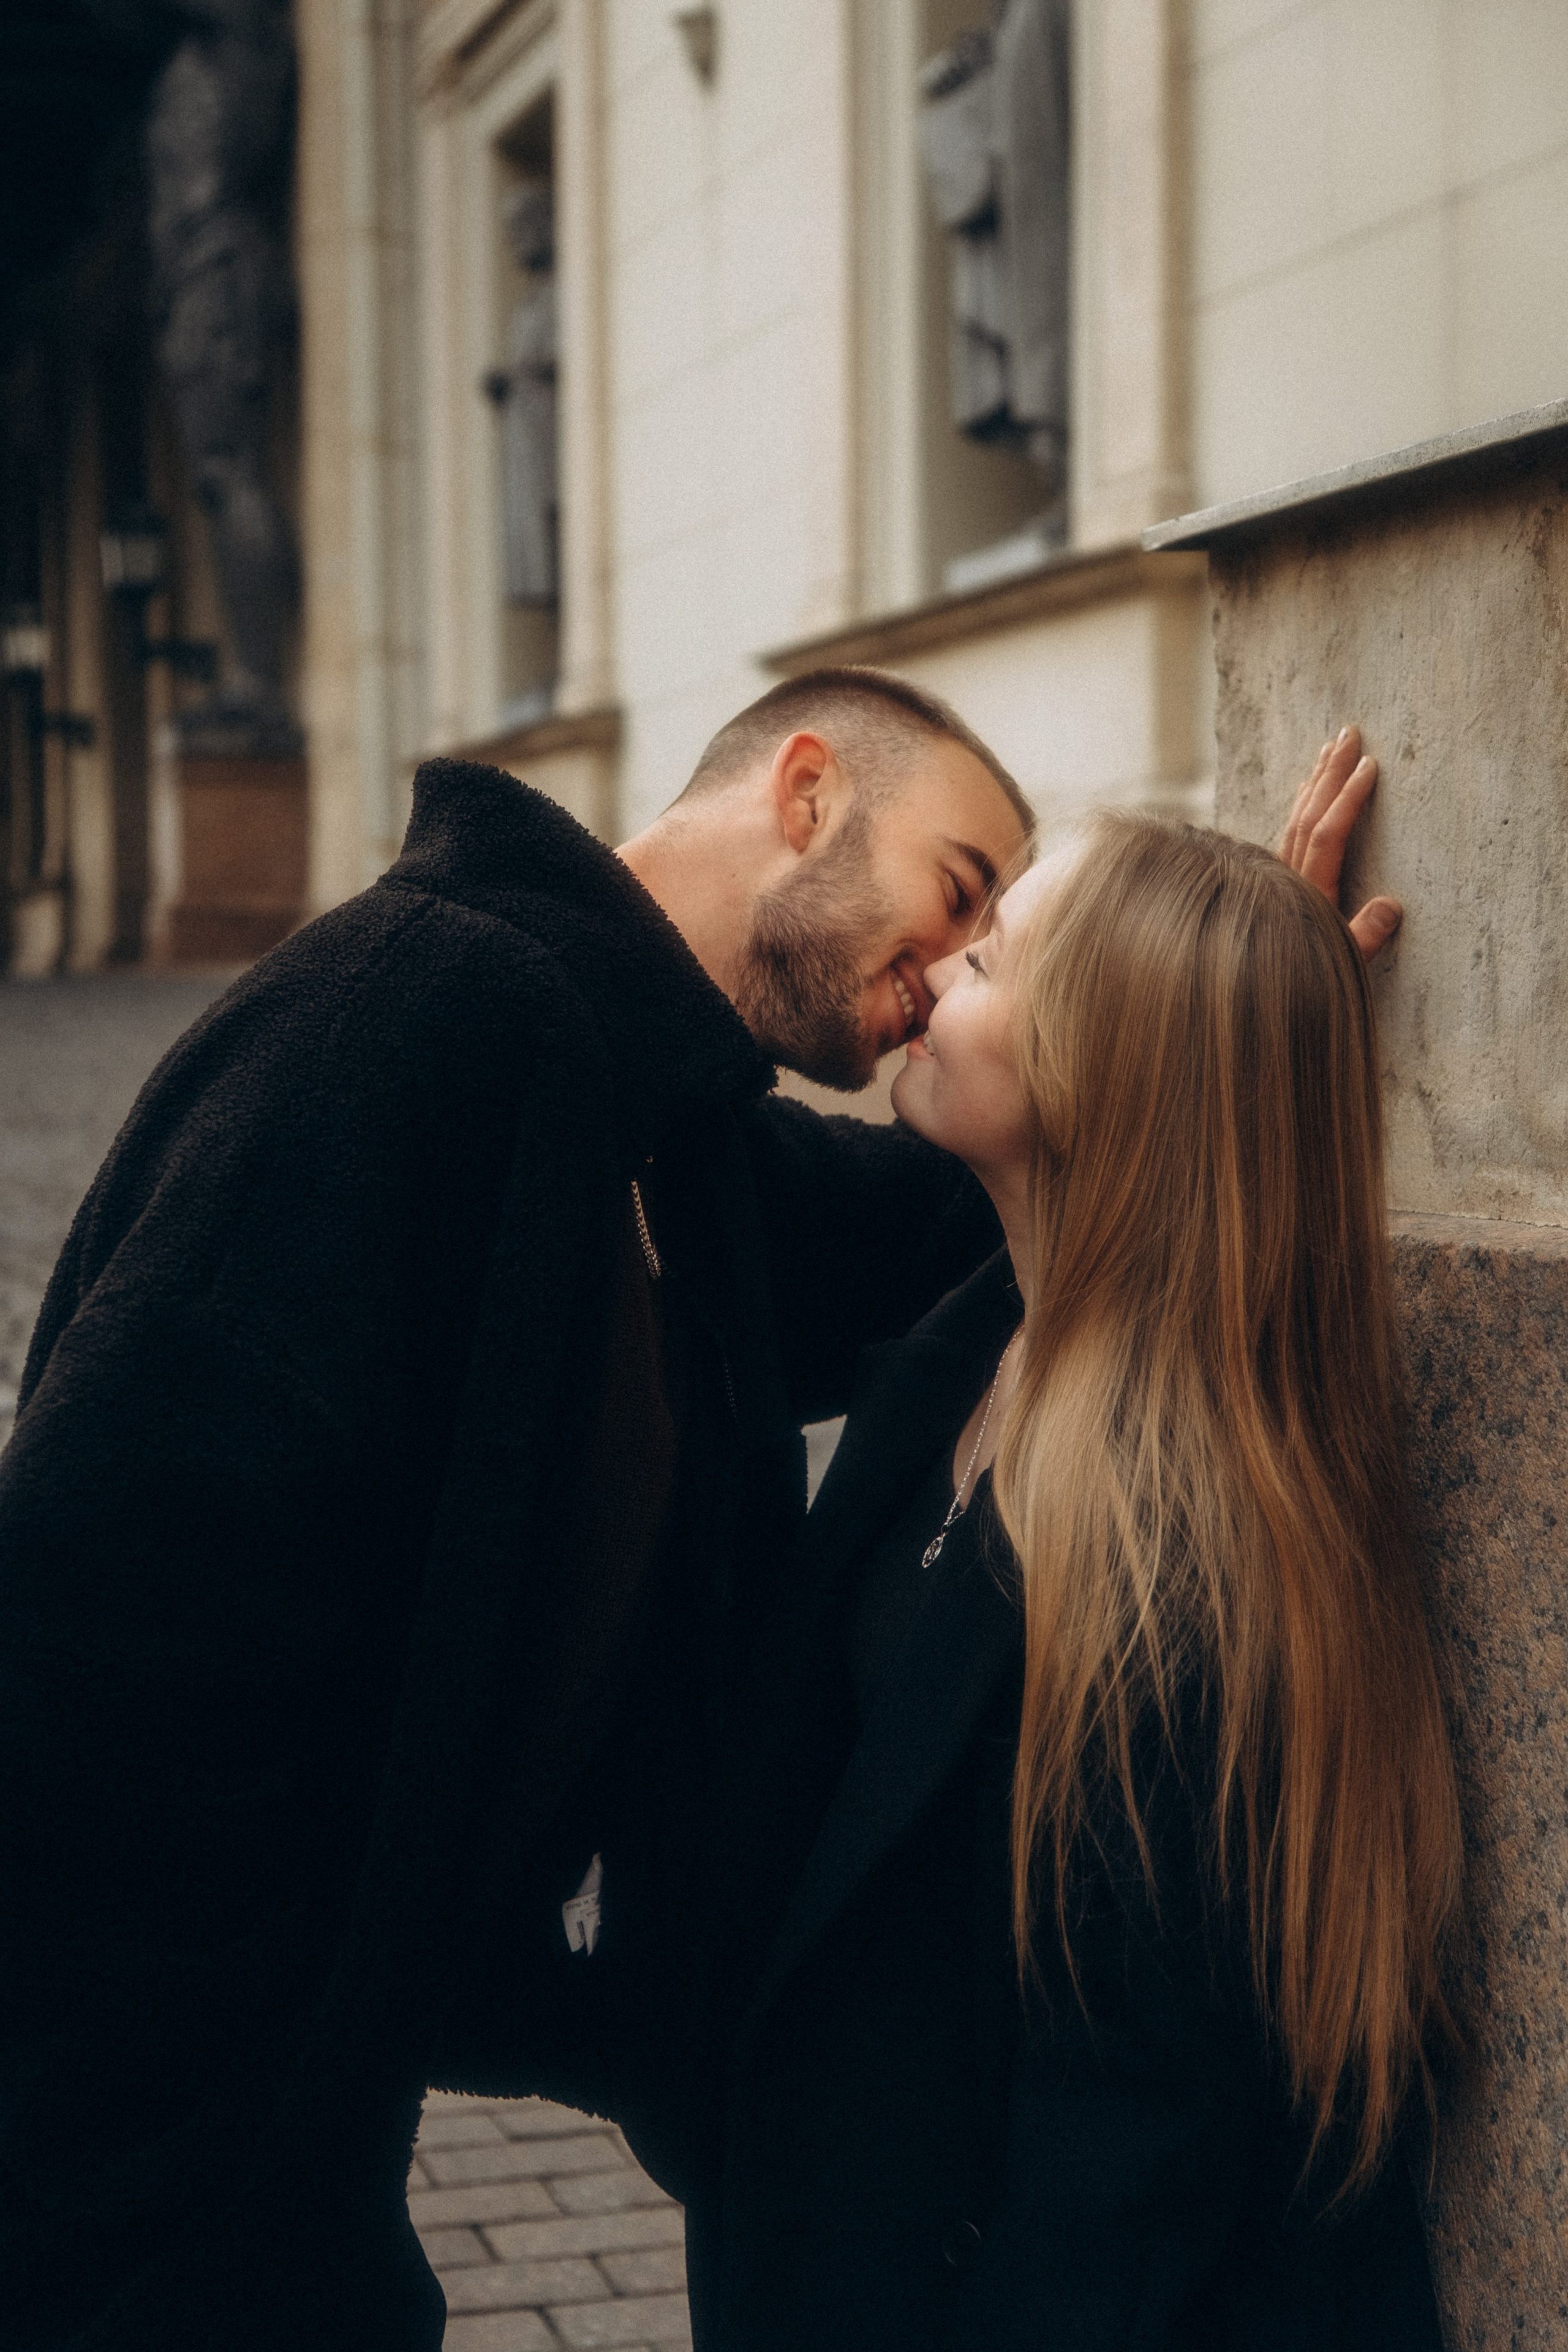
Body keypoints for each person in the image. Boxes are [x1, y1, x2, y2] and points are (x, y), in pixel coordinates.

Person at [0, 667, 1032, 2352]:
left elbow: (903, 1231)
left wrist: (1200, 1032)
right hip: (140, 2178)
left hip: (310, 2140)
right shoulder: (404, 1021)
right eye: (961, 887)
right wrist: (184, 2153)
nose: (947, 970)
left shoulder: (657, 1115)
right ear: (808, 791)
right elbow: (82, 1625)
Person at [685, 746, 1458, 2347]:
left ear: (1105, 1068)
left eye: (987, 953)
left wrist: (1224, 999)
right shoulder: (980, 1348)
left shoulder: (1183, 1569)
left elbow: (1120, 2193)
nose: (936, 978)